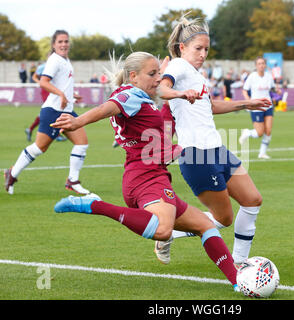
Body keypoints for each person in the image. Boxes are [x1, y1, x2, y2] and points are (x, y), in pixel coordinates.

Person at [50, 51, 239, 292]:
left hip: (149, 176)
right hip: (146, 179)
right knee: (163, 230)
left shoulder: (141, 99)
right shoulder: (130, 95)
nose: (158, 78)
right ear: (133, 76)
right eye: (152, 74)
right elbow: (109, 108)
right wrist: (78, 122)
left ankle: (237, 281)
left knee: (205, 225)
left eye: (159, 73)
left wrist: (174, 147)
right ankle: (94, 205)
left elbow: (148, 137)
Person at [157, 15, 271, 267]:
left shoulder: (197, 75)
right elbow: (161, 89)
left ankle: (240, 264)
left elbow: (210, 106)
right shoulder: (177, 66)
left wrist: (246, 103)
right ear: (182, 48)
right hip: (197, 155)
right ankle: (167, 229)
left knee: (252, 200)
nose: (203, 54)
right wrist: (179, 93)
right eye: (198, 48)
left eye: (206, 49)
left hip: (217, 149)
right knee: (224, 218)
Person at [4, 30, 90, 195]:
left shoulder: (65, 60)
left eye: (66, 41)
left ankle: (73, 180)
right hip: (53, 111)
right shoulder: (54, 60)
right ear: (54, 44)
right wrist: (61, 94)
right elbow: (43, 82)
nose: (64, 44)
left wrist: (71, 95)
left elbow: (62, 83)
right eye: (60, 42)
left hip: (67, 110)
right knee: (39, 148)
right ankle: (12, 173)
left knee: (82, 143)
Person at [239, 56, 275, 159]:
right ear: (256, 66)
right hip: (256, 107)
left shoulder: (268, 76)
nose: (261, 65)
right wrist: (249, 101)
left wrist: (277, 91)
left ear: (265, 65)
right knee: (259, 132)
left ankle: (262, 153)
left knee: (268, 131)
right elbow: (245, 90)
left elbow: (272, 88)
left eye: (263, 63)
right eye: (259, 63)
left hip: (268, 106)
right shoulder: (252, 76)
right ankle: (247, 132)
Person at [25, 57, 67, 142]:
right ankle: (57, 135)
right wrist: (41, 83)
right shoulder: (43, 66)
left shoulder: (58, 66)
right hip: (46, 91)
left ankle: (30, 129)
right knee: (51, 110)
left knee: (51, 111)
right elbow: (34, 77)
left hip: (54, 90)